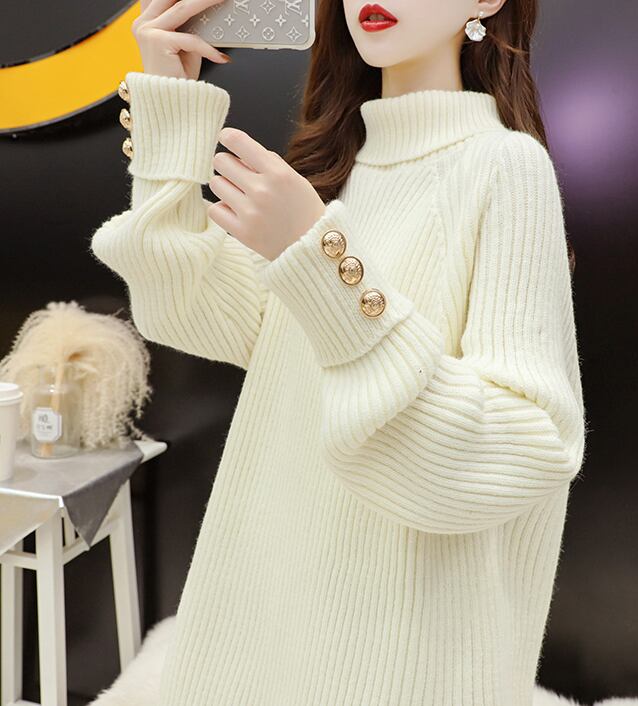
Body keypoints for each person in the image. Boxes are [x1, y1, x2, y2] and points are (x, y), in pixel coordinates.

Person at [90, 0, 588, 703]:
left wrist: (323, 257)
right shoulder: (334, 170)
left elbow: (524, 447)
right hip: (266, 617)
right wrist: (170, 114)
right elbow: (186, 306)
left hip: (400, 657)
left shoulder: (504, 166)